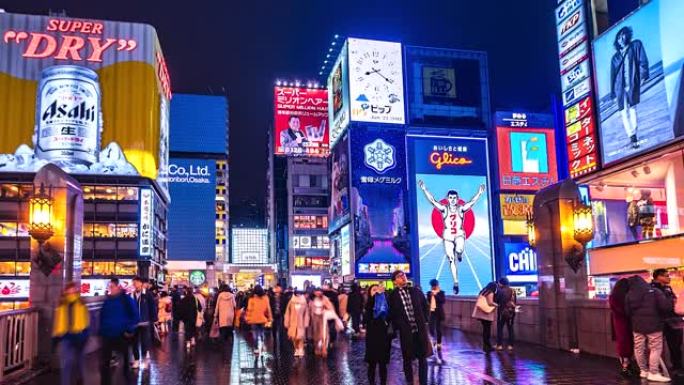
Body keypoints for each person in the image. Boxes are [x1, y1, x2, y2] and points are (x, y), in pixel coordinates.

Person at [418, 180, 486, 294]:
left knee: (459, 249)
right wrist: (424, 189)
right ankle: (456, 282)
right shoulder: (444, 209)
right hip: (448, 236)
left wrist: (479, 193)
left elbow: (471, 202)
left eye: (455, 198)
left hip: (459, 234)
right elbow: (433, 201)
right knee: (451, 259)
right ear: (448, 198)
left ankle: (459, 253)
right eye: (451, 198)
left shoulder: (461, 209)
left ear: (457, 198)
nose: (453, 200)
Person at [625, 275, 672, 382]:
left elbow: (627, 312)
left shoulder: (629, 295)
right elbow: (665, 307)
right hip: (654, 325)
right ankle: (654, 372)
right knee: (655, 348)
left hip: (637, 326)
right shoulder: (655, 292)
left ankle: (643, 371)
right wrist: (669, 298)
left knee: (638, 348)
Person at [388, 270, 432, 385]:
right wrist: (399, 326)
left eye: (404, 275)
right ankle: (410, 381)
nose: (403, 277)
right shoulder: (392, 296)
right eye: (399, 276)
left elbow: (425, 307)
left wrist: (425, 321)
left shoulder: (416, 291)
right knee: (407, 359)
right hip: (406, 333)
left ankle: (423, 382)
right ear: (394, 282)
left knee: (423, 358)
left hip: (420, 331)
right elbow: (391, 314)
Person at [610, 25, 649, 149]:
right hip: (619, 88)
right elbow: (613, 76)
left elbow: (643, 60)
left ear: (627, 35)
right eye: (618, 37)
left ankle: (634, 133)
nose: (621, 38)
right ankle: (631, 136)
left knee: (633, 109)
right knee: (623, 112)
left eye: (623, 35)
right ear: (616, 41)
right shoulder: (615, 58)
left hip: (632, 84)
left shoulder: (636, 45)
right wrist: (613, 93)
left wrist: (643, 76)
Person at [99, 278, 139, 385]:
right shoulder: (107, 301)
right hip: (107, 336)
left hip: (121, 335)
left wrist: (128, 329)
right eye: (109, 287)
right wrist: (101, 331)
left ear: (118, 287)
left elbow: (135, 316)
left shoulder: (126, 300)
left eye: (112, 287)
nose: (110, 289)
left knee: (124, 364)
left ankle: (126, 381)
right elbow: (102, 317)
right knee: (105, 365)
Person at [52, 282, 89, 385]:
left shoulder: (81, 303)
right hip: (66, 337)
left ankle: (80, 378)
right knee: (66, 364)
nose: (71, 291)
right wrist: (55, 336)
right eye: (69, 289)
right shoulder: (61, 304)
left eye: (73, 289)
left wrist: (86, 333)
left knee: (79, 362)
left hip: (79, 336)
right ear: (65, 290)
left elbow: (87, 320)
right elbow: (57, 321)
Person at [652, 269, 683, 375]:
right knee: (656, 347)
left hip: (673, 321)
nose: (669, 277)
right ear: (658, 277)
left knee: (675, 345)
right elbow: (662, 305)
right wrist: (671, 302)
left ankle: (677, 367)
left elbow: (673, 300)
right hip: (659, 321)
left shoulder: (668, 288)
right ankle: (656, 369)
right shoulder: (651, 289)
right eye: (666, 276)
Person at [364, 284, 393, 385]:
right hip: (372, 339)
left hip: (383, 338)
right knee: (371, 365)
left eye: (377, 290)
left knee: (382, 365)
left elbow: (390, 317)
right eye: (373, 290)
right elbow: (366, 319)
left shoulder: (385, 306)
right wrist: (374, 299)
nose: (376, 292)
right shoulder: (368, 305)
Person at [609, 278, 635, 377]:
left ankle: (626, 366)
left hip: (618, 323)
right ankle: (626, 367)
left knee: (623, 343)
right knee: (627, 344)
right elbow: (625, 310)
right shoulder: (627, 297)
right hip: (625, 323)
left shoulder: (613, 296)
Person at [130, 277, 157, 369]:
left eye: (136, 282)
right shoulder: (131, 295)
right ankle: (137, 360)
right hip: (134, 323)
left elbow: (152, 307)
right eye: (134, 283)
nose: (135, 285)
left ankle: (145, 359)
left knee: (144, 342)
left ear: (141, 283)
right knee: (134, 342)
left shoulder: (147, 294)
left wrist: (154, 319)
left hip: (145, 322)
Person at [309, 287, 338, 357]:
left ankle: (324, 349)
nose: (318, 293)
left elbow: (331, 308)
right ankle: (317, 348)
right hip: (314, 318)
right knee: (316, 334)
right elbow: (309, 310)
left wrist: (326, 311)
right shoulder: (311, 300)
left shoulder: (325, 299)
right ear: (314, 292)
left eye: (319, 291)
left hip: (323, 318)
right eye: (316, 291)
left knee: (324, 333)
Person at [245, 285, 272, 355]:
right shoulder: (266, 298)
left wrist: (247, 318)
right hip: (262, 319)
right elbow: (268, 309)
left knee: (255, 334)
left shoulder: (251, 299)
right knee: (262, 333)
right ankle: (263, 345)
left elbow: (249, 309)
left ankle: (256, 348)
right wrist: (270, 317)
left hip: (253, 319)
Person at [472, 282, 498, 352]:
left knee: (485, 330)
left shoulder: (483, 291)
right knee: (487, 330)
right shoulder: (490, 292)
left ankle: (486, 345)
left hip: (481, 313)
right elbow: (490, 303)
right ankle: (487, 346)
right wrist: (497, 305)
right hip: (486, 313)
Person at [284, 289, 310, 357]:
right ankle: (296, 349)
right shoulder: (291, 302)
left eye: (299, 293)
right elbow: (287, 312)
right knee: (293, 337)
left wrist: (306, 322)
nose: (298, 294)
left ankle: (301, 349)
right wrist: (287, 322)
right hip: (292, 322)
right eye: (297, 293)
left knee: (300, 336)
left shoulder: (304, 302)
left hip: (301, 322)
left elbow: (306, 313)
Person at [495, 277, 517, 351]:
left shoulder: (500, 291)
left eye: (499, 283)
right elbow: (515, 301)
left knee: (500, 328)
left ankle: (499, 345)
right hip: (511, 312)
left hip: (502, 312)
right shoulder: (513, 290)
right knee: (510, 328)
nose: (498, 284)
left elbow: (497, 301)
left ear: (501, 283)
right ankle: (511, 345)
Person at [426, 279, 445, 351]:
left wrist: (435, 295)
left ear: (437, 285)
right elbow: (428, 302)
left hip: (439, 313)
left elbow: (442, 301)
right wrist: (431, 296)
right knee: (431, 328)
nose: (433, 287)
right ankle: (433, 340)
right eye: (432, 286)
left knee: (438, 329)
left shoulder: (441, 293)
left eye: (435, 285)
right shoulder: (429, 293)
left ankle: (439, 343)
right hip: (432, 312)